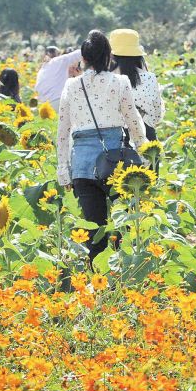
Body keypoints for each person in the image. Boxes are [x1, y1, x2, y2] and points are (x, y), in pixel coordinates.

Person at [57, 30, 147, 264]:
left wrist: (63, 171)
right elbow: (133, 121)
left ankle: (98, 286)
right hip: (114, 162)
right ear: (109, 57)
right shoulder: (120, 82)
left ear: (83, 59)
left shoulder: (71, 86)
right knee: (123, 225)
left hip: (83, 166)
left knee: (94, 232)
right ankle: (124, 276)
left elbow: (63, 131)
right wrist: (144, 155)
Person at [108, 29, 164, 142]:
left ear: (111, 55)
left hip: (116, 139)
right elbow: (157, 114)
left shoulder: (107, 79)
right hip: (146, 136)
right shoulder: (149, 78)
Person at [35, 45, 83, 111]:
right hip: (58, 102)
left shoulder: (42, 69)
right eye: (58, 53)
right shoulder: (58, 61)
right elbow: (79, 54)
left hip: (44, 106)